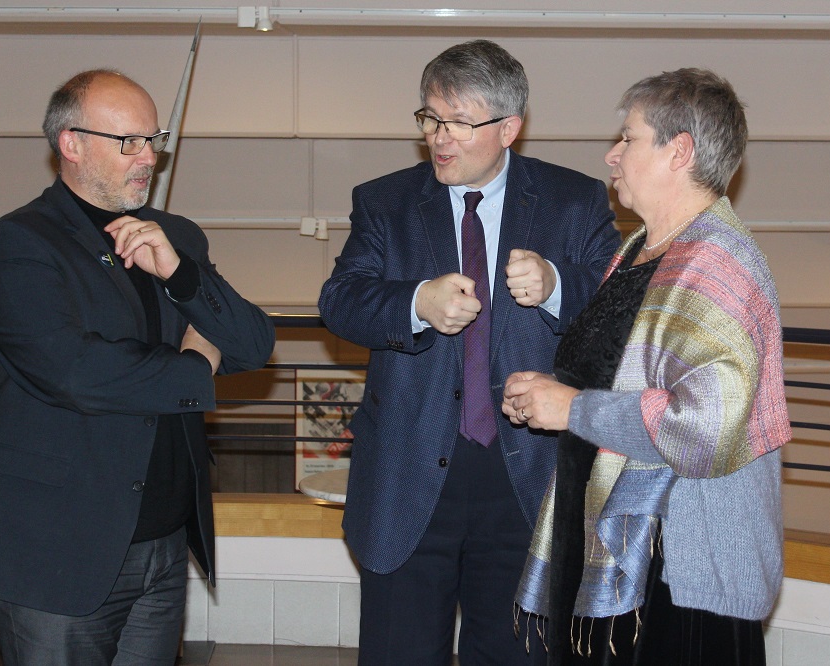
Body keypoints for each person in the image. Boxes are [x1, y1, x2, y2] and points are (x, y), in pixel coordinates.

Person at [0, 69, 275, 665]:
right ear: (70, 144)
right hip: (55, 547)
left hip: (163, 544)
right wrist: (196, 361)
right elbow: (76, 372)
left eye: (154, 139)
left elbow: (252, 342)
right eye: (129, 142)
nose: (149, 158)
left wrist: (183, 276)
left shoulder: (175, 236)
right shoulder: (18, 243)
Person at [318, 40, 620, 665]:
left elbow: (622, 313)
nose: (440, 139)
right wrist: (414, 303)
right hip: (405, 480)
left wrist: (560, 284)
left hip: (528, 483)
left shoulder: (574, 201)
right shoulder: (385, 202)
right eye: (431, 119)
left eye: (460, 122)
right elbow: (340, 301)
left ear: (509, 127)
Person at [503, 68, 792, 665]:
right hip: (622, 550)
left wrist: (572, 408)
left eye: (629, 138)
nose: (612, 154)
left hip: (681, 568)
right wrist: (548, 393)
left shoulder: (723, 266)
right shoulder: (639, 250)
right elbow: (615, 373)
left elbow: (705, 429)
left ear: (678, 151)